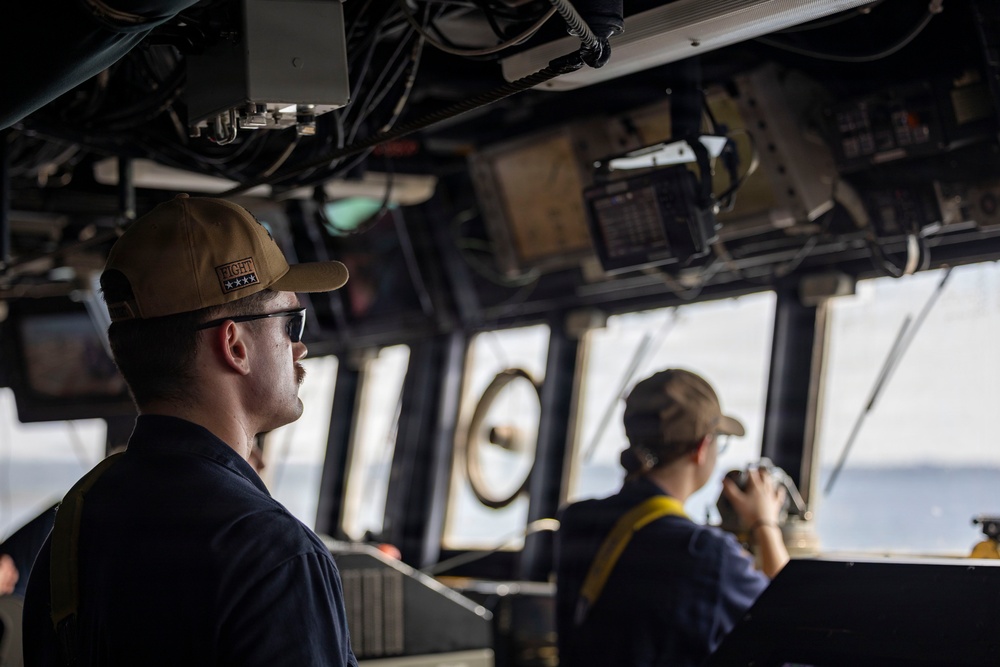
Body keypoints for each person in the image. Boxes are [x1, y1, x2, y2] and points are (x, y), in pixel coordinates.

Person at [22, 194, 357, 666]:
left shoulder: (72, 533)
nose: (299, 348)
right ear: (234, 345)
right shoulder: (272, 552)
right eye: (290, 323)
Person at [555, 368, 789, 667]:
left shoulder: (577, 522)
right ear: (702, 449)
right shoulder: (706, 553)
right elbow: (788, 628)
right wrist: (764, 524)